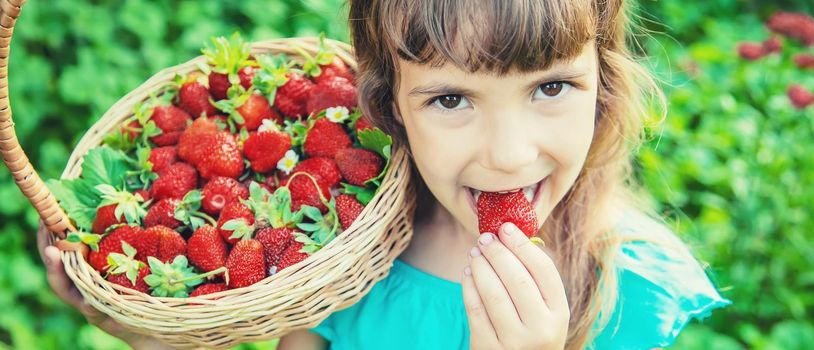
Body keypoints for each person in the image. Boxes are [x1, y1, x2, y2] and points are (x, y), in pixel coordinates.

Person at [38, 0, 731, 349]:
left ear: (604, 88)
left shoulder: (631, 292)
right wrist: (145, 330)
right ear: (389, 107)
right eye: (451, 99)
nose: (510, 156)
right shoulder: (345, 265)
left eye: (551, 88)